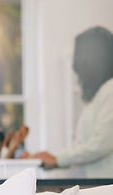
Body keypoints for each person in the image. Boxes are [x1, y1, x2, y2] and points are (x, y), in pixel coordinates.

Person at [22, 26, 113, 178]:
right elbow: (85, 148)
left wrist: (57, 159)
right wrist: (48, 160)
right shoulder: (100, 94)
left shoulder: (110, 90)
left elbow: (102, 143)